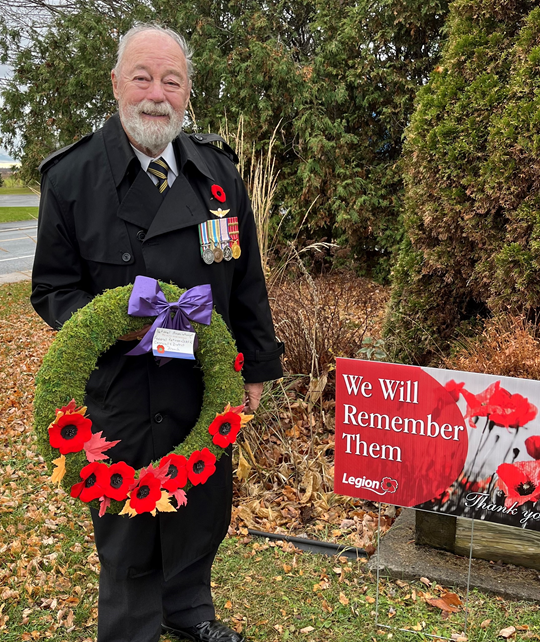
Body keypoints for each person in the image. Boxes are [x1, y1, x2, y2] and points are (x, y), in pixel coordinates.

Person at [31, 23, 283, 642]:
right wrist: (112, 325)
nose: (156, 95)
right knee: (128, 519)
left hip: (202, 386)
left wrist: (255, 368)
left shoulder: (218, 173)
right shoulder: (73, 178)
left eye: (171, 81)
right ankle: (131, 628)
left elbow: (245, 280)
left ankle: (189, 609)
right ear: (116, 84)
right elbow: (52, 288)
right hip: (122, 389)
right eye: (142, 78)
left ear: (188, 92)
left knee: (200, 510)